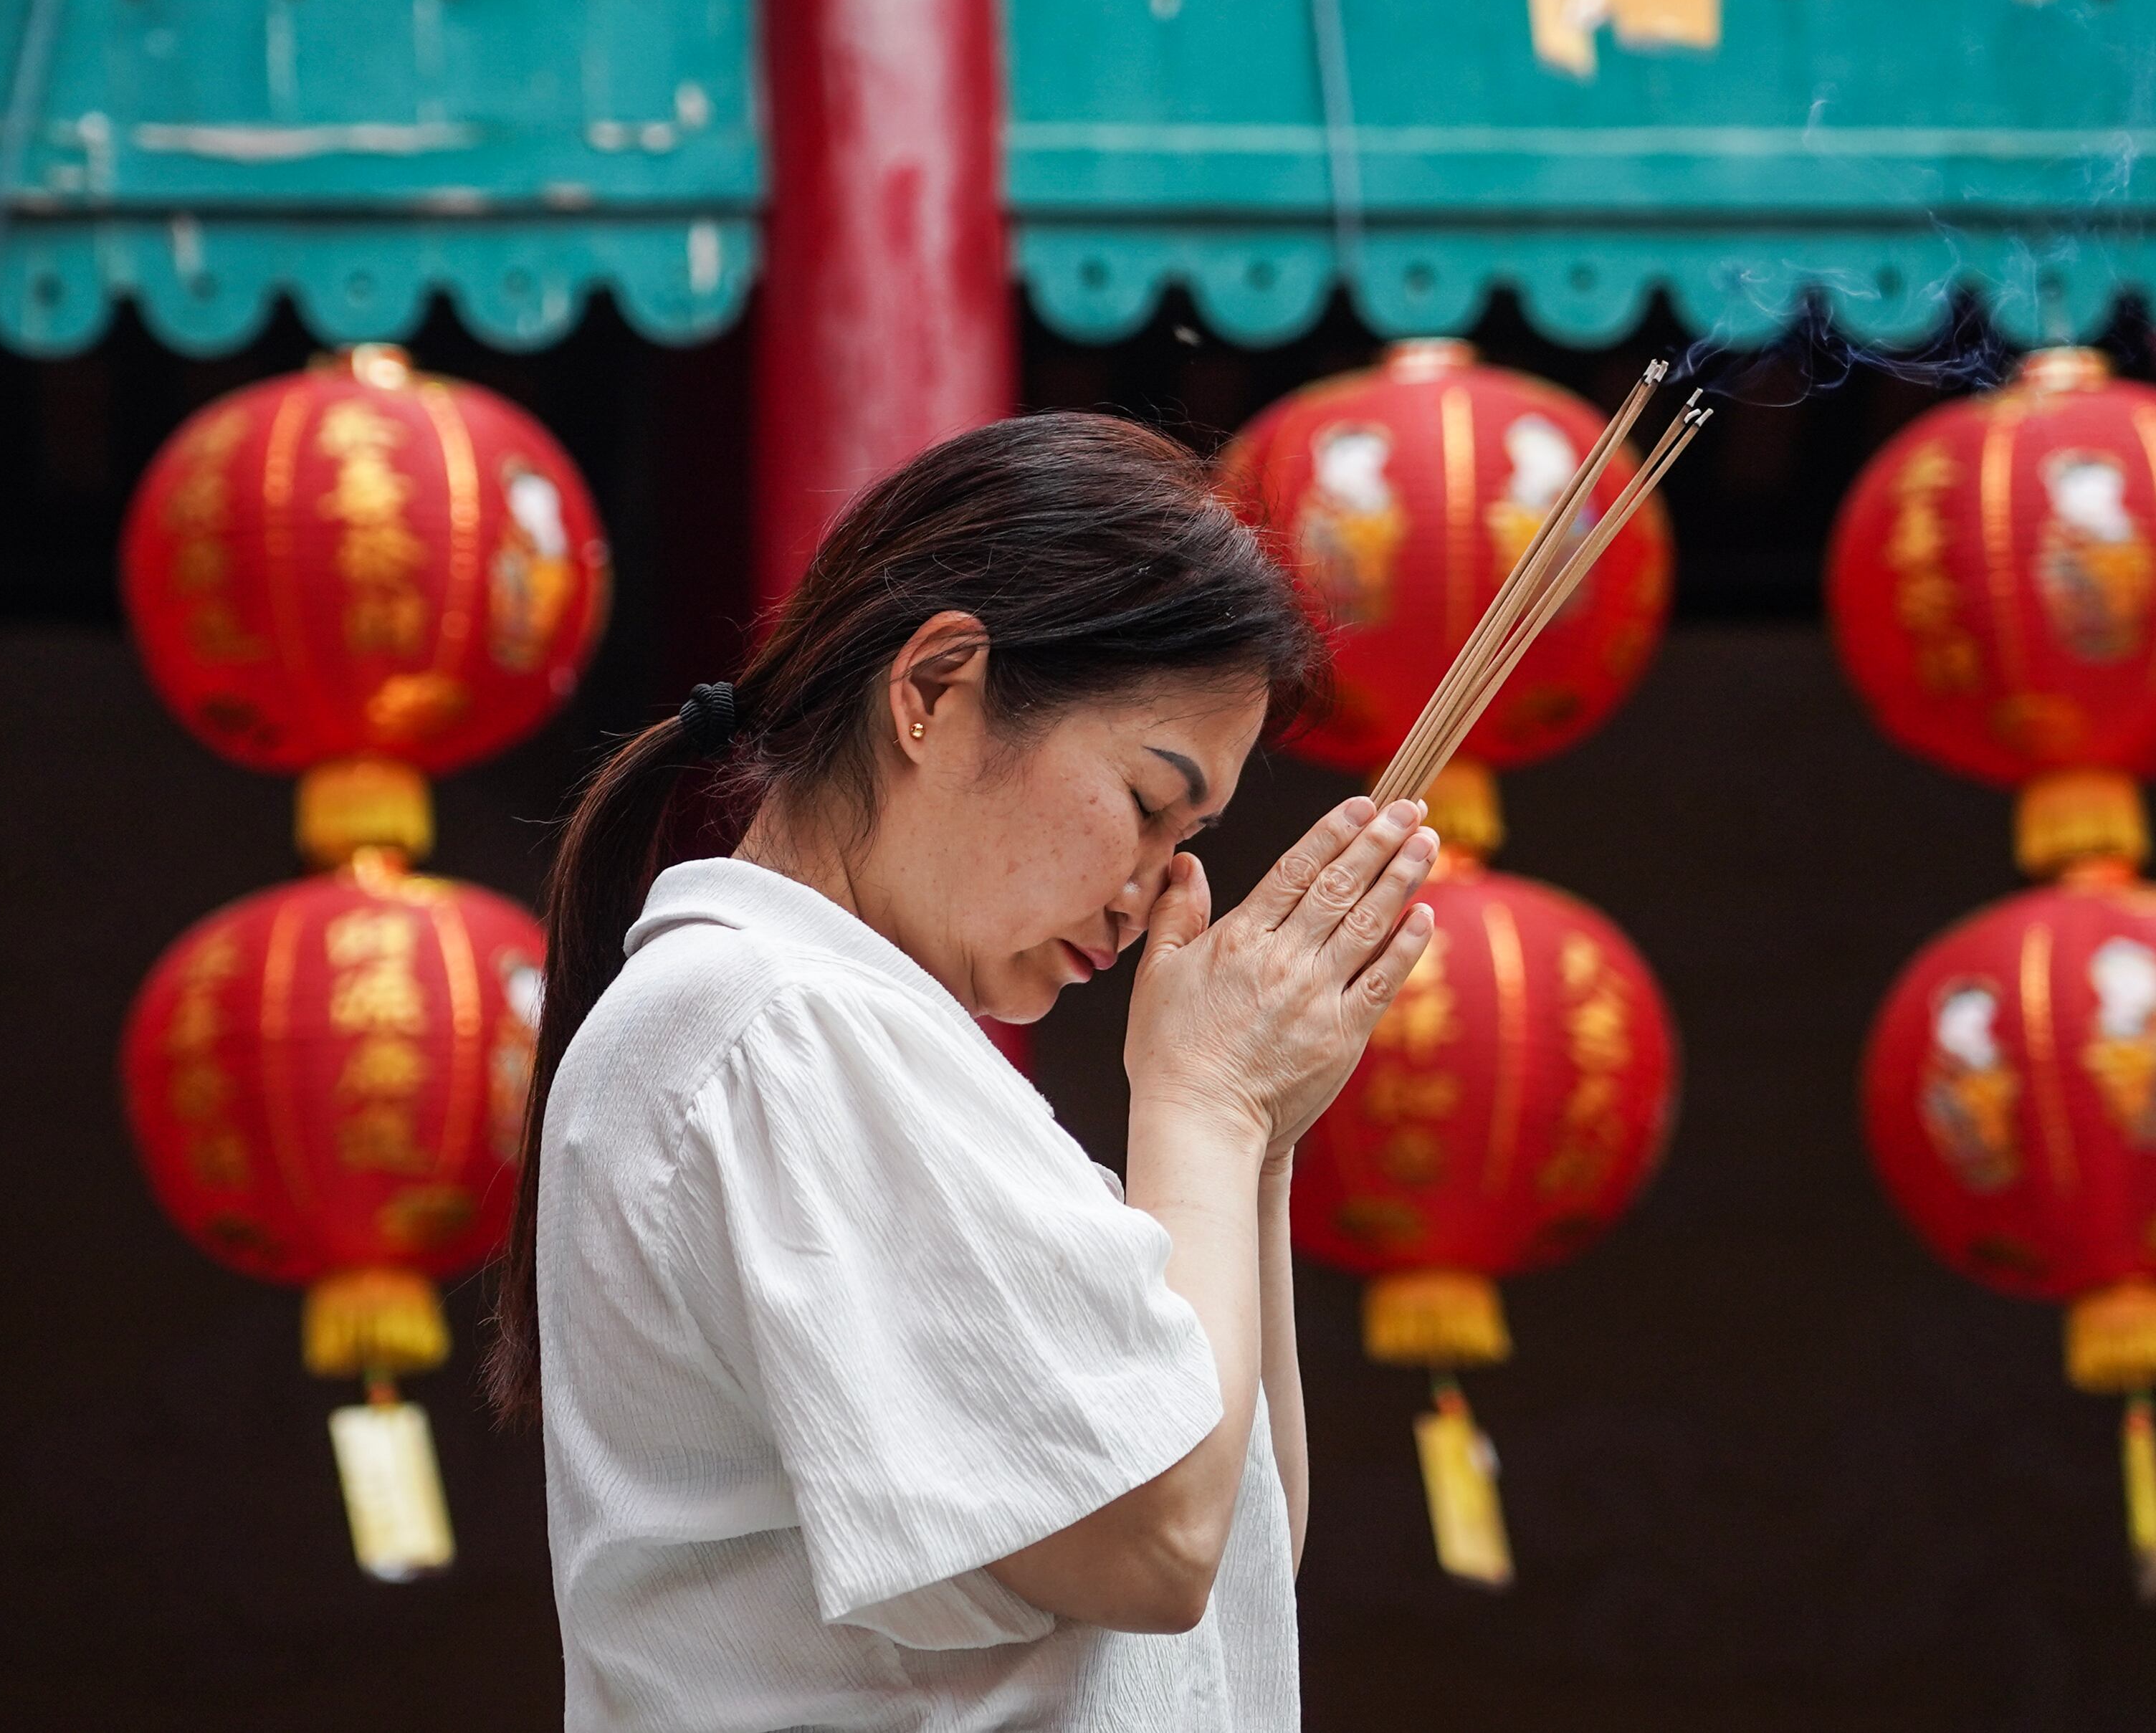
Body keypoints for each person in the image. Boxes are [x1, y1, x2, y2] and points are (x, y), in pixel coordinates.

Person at [492, 414, 1444, 1731]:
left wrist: (1259, 1127)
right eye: (1146, 798)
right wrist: (1204, 1103)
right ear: (935, 688)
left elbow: (1231, 1544)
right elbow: (1152, 1539)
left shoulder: (835, 1024)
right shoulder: (779, 1017)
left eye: (1193, 833)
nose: (1153, 888)